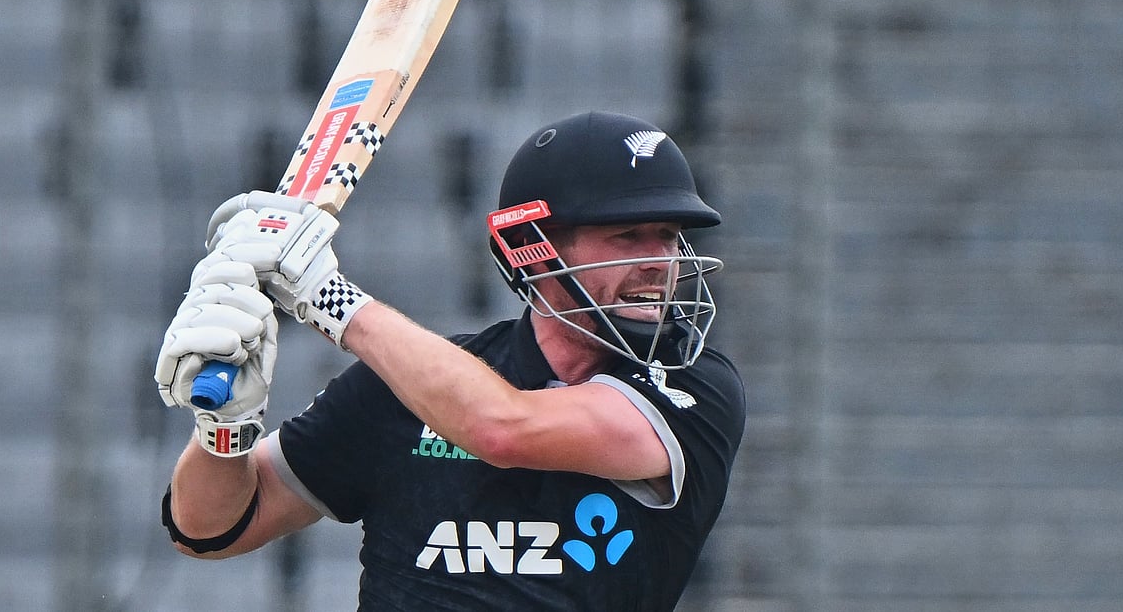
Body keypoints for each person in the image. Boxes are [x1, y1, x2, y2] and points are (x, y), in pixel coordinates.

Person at [155, 111, 747, 610]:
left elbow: (501, 428)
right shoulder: (404, 388)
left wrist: (326, 297)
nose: (661, 261)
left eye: (668, 234)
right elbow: (207, 529)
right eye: (628, 236)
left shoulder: (694, 387)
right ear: (534, 250)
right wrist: (224, 432)